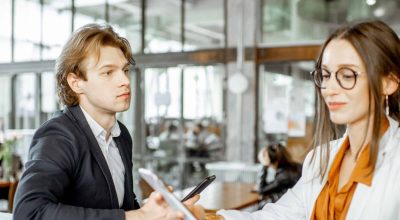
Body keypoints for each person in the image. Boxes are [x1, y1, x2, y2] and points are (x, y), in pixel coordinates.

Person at [214, 20, 400, 219]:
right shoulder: (320, 158)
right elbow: (278, 215)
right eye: (326, 75)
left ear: (388, 83)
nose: (329, 88)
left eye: (347, 75)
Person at [13, 24, 201, 220]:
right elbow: (29, 213)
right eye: (108, 72)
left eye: (125, 70)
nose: (125, 81)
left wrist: (156, 210)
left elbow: (123, 207)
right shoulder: (58, 135)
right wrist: (136, 216)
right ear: (76, 82)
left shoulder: (121, 135)